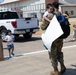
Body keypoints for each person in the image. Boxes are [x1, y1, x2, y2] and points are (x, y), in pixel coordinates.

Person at [48, 2, 66, 75]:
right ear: (58, 6)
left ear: (52, 6)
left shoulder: (51, 15)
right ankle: (62, 66)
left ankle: (55, 70)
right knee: (59, 52)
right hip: (60, 37)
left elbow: (43, 26)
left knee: (52, 54)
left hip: (53, 38)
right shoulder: (61, 14)